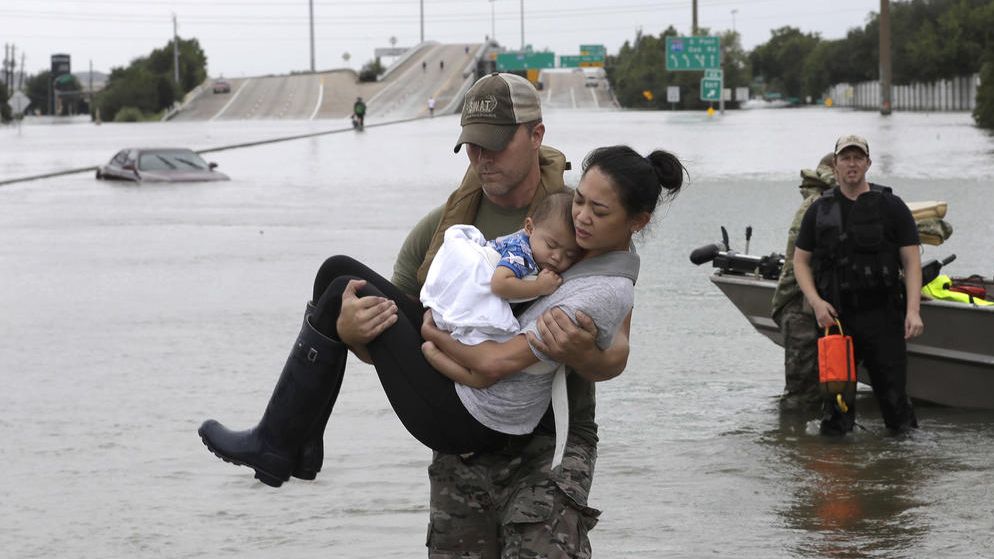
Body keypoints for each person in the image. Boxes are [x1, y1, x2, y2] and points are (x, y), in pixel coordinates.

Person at [793, 135, 923, 436]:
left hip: (884, 316)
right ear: (835, 165)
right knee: (835, 410)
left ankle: (902, 475)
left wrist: (913, 311)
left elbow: (912, 261)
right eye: (845, 158)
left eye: (857, 158)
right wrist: (815, 302)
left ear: (867, 163)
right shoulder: (818, 210)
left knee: (897, 408)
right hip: (836, 320)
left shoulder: (892, 206)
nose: (852, 164)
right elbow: (800, 263)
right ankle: (838, 474)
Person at [771, 153, 837, 411]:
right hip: (801, 309)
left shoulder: (825, 203)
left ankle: (804, 446)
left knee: (826, 388)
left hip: (816, 308)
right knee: (801, 395)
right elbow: (799, 263)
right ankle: (793, 445)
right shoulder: (816, 206)